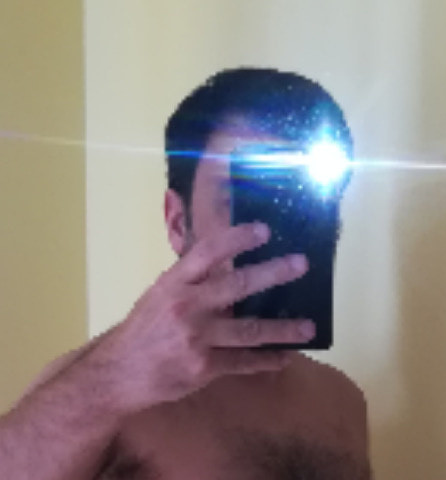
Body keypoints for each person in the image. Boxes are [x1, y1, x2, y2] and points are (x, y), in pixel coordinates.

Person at [0, 67, 372, 480]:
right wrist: (112, 378)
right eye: (247, 200)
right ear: (178, 223)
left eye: (307, 204)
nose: (272, 230)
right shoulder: (103, 397)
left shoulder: (343, 402)